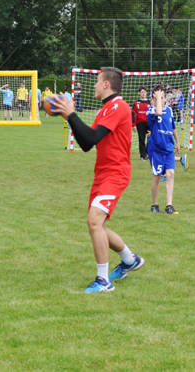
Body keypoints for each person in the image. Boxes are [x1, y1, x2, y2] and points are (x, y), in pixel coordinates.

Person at [49, 67, 144, 293]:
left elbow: (91, 137)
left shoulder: (118, 106)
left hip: (116, 173)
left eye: (97, 81)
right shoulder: (105, 109)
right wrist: (68, 116)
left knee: (94, 221)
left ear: (106, 85)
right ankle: (130, 260)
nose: (93, 85)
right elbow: (86, 143)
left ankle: (103, 281)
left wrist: (72, 113)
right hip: (102, 173)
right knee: (97, 225)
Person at [147, 84, 180, 214]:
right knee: (157, 177)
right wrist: (158, 99)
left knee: (171, 174)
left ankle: (169, 205)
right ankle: (154, 204)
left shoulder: (170, 111)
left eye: (162, 96)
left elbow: (173, 128)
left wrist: (177, 142)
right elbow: (158, 112)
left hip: (168, 148)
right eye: (157, 96)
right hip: (156, 149)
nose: (160, 98)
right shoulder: (150, 110)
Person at [132, 87, 149, 160]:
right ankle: (143, 155)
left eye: (144, 92)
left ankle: (148, 153)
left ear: (146, 93)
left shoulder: (150, 102)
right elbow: (133, 114)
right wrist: (133, 125)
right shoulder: (136, 103)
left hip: (149, 123)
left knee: (150, 138)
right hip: (140, 123)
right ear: (139, 93)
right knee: (141, 139)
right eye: (142, 92)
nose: (143, 93)